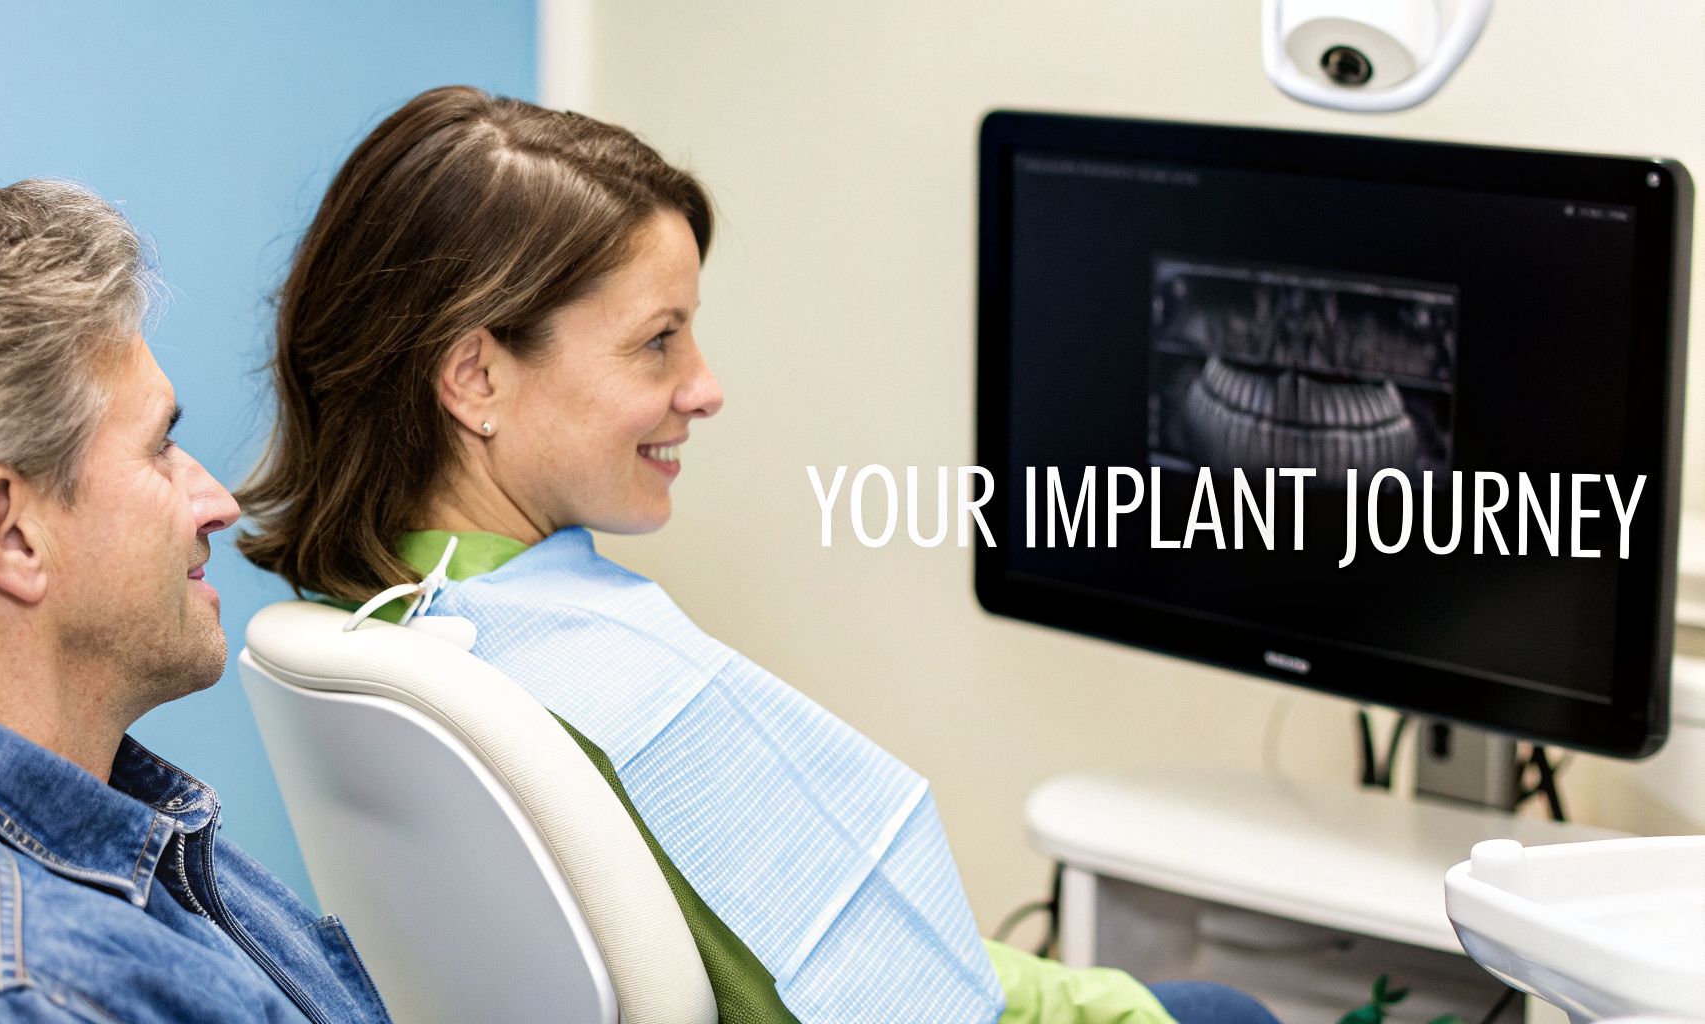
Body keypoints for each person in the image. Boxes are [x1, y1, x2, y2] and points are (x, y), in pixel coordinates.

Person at [240, 85, 1277, 1024]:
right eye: (658, 340)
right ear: (474, 377)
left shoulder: (368, 609)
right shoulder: (599, 694)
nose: (704, 386)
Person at [0, 180, 391, 1024]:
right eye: (161, 446)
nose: (219, 502)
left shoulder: (134, 828)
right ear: (13, 536)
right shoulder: (14, 990)